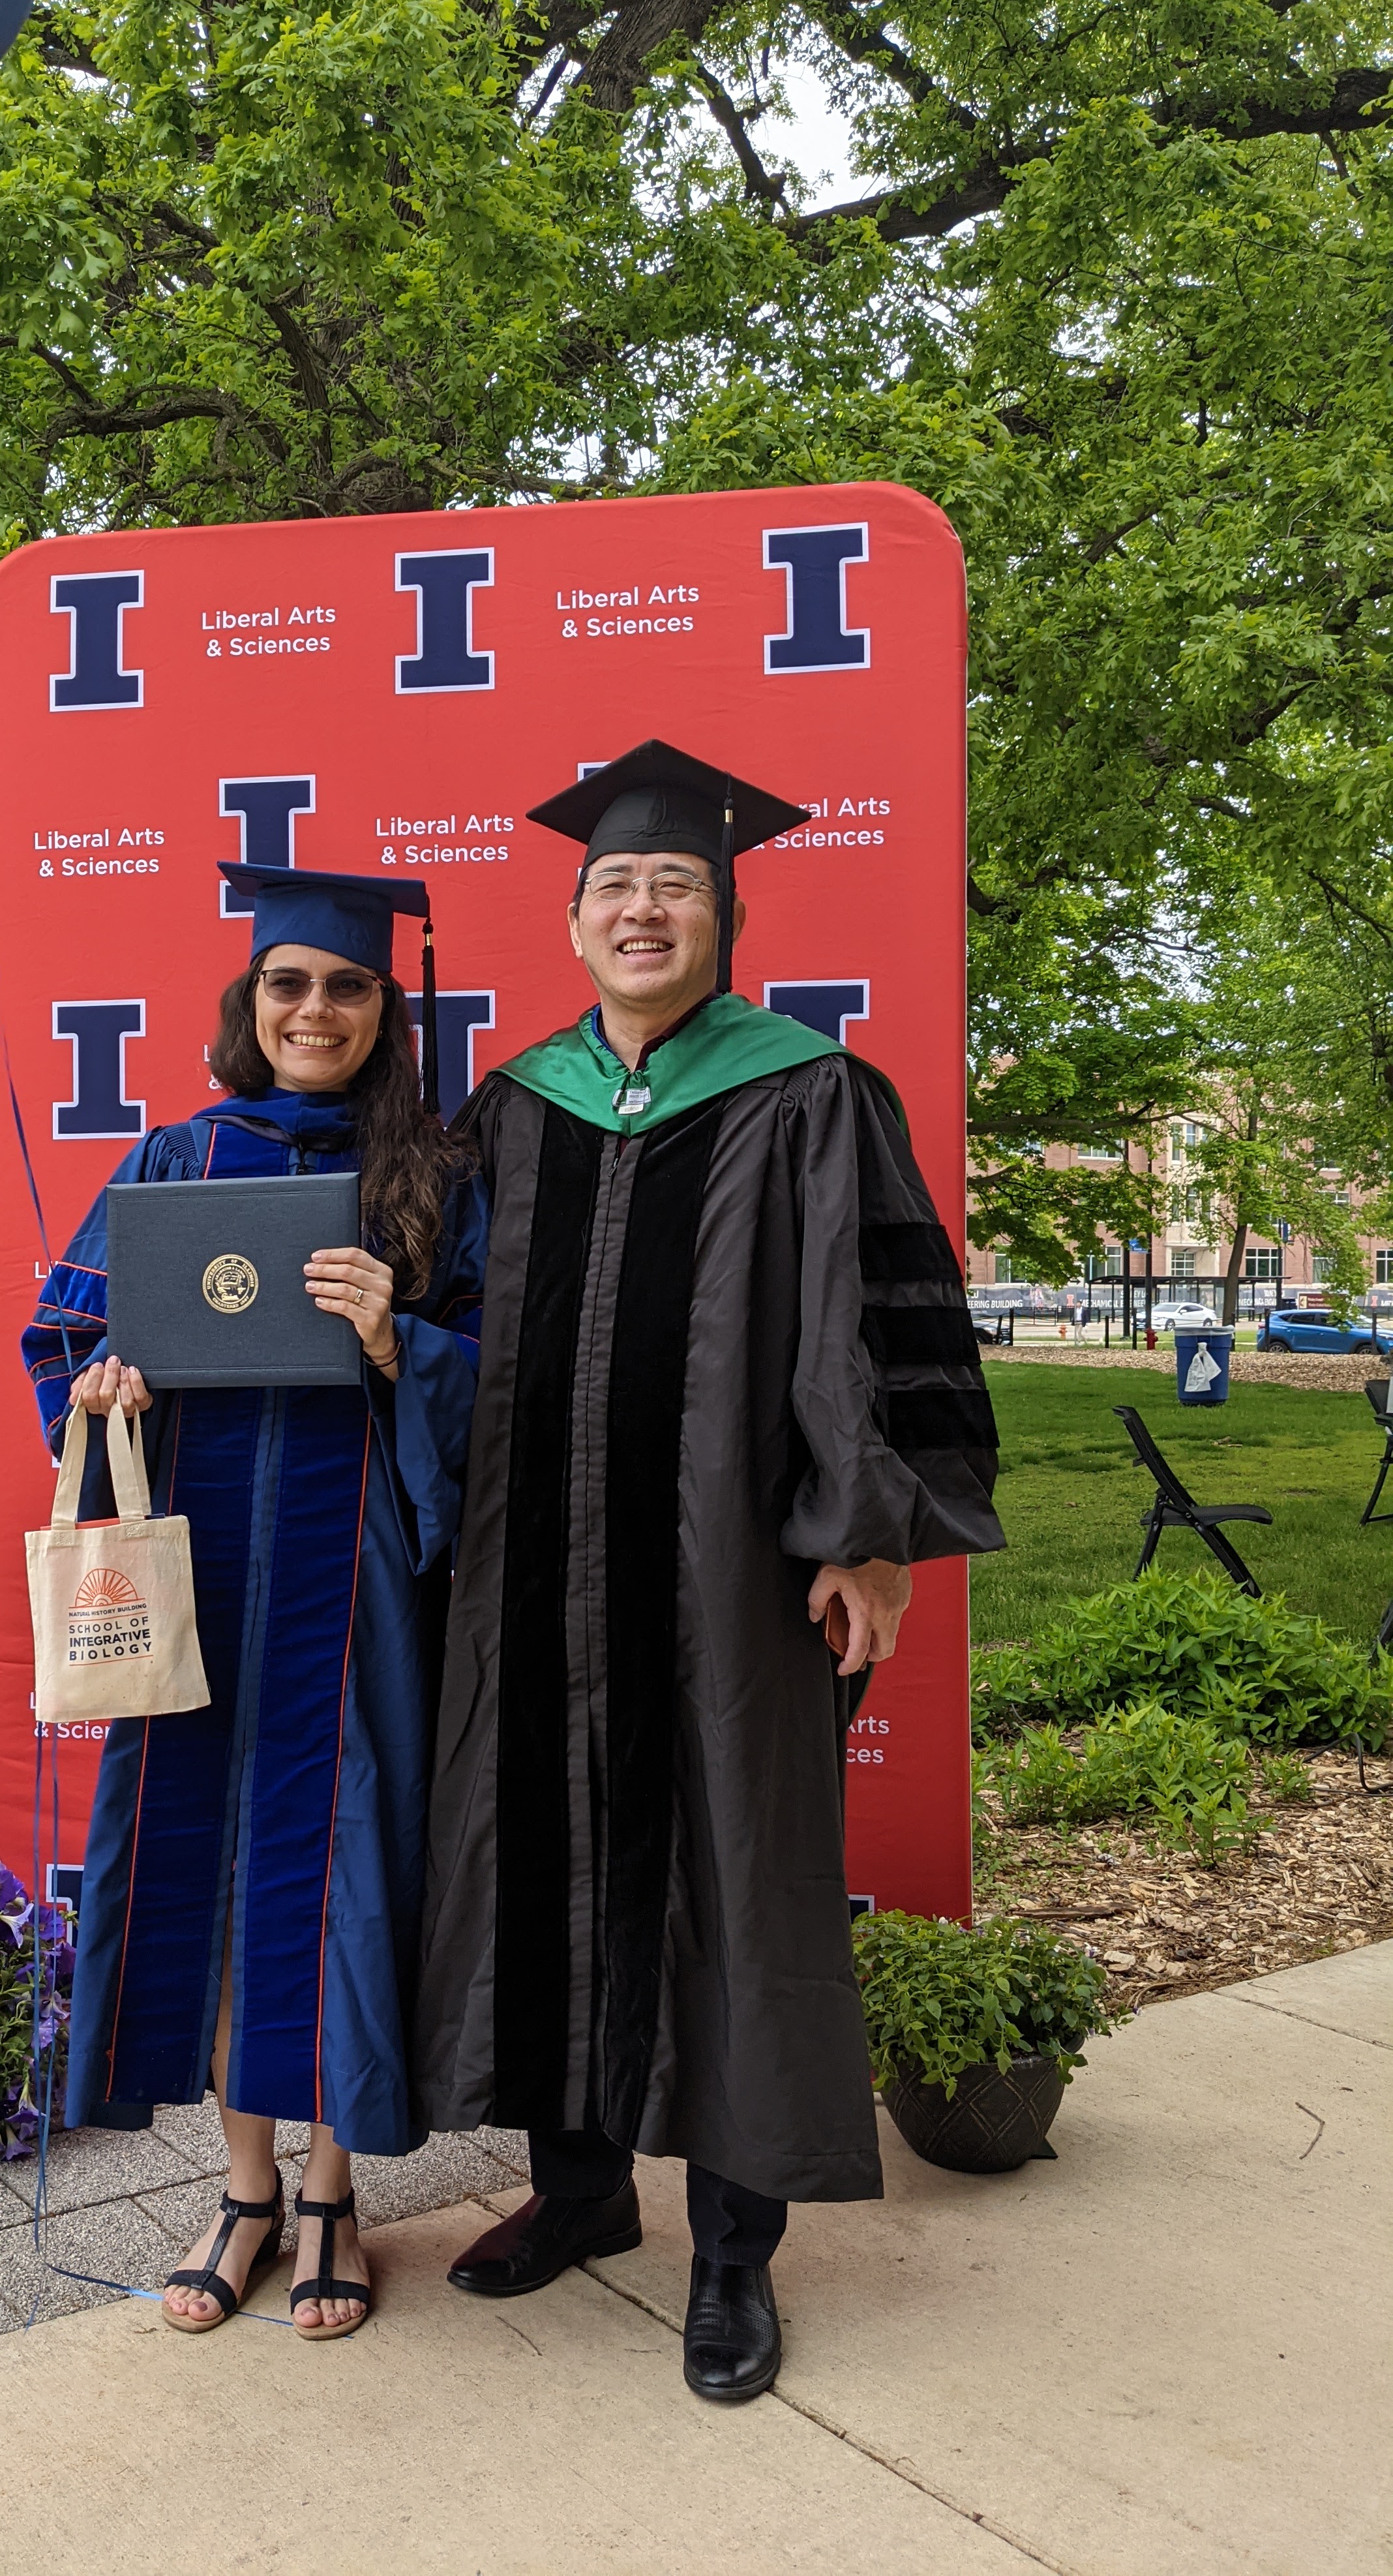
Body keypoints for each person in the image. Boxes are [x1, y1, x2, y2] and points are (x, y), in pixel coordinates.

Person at [413, 740, 1004, 2402]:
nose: (643, 908)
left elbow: (884, 1330)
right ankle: (583, 2190)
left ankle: (735, 2250)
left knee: (739, 1873)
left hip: (732, 1575)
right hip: (531, 1574)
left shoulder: (812, 1092)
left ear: (725, 915)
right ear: (574, 921)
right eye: (615, 884)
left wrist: (871, 1538)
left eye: (675, 883)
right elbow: (446, 1323)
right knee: (539, 1858)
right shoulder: (513, 1106)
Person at [23, 864, 485, 2344]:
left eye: (347, 987)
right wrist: (103, 1387)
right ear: (252, 1001)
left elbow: (502, 1378)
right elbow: (62, 1332)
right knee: (215, 1876)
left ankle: (333, 2193)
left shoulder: (434, 1181)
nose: (316, 1010)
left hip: (359, 1590)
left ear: (384, 1010)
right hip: (202, 1578)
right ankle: (243, 2190)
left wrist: (400, 1341)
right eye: (290, 984)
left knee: (348, 1874)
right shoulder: (176, 1158)